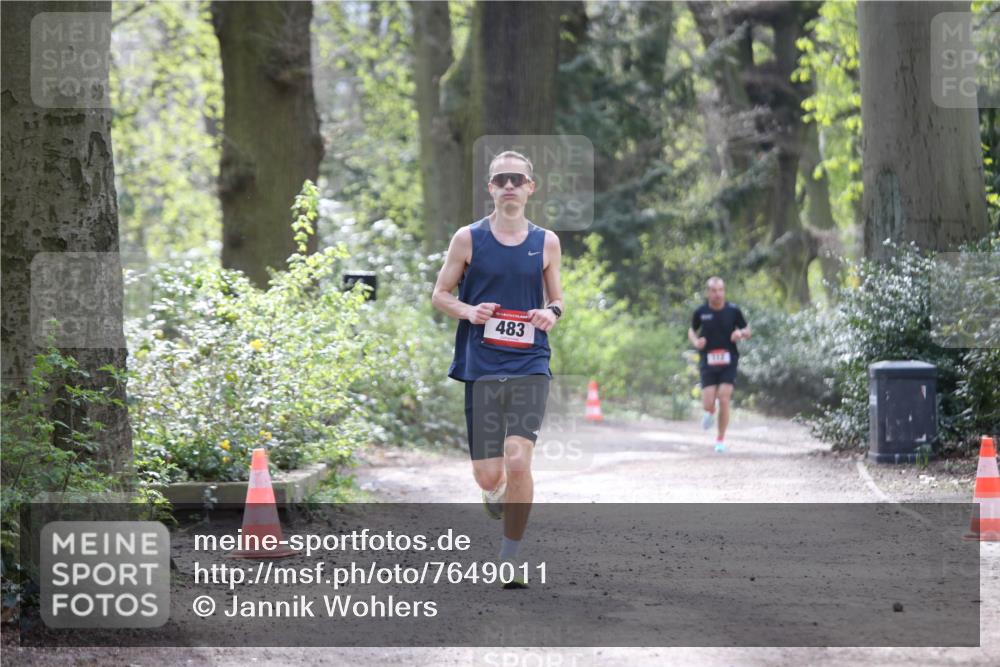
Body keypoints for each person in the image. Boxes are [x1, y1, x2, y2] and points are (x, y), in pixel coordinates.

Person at [431, 150, 563, 589]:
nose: (509, 185)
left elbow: (557, 299)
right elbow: (440, 294)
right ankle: (494, 492)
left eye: (517, 179)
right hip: (482, 364)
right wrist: (470, 311)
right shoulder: (468, 239)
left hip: (529, 362)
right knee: (489, 474)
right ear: (490, 187)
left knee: (518, 458)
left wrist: (552, 314)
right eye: (501, 179)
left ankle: (511, 557)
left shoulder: (546, 242)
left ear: (530, 187)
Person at [687, 277, 751, 453]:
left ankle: (720, 440)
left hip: (728, 360)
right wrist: (696, 341)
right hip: (708, 361)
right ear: (708, 292)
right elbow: (692, 330)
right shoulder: (701, 312)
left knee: (724, 397)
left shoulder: (733, 310)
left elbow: (748, 330)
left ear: (724, 291)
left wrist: (740, 333)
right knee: (708, 403)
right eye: (714, 290)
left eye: (721, 290)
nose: (717, 294)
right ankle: (710, 411)